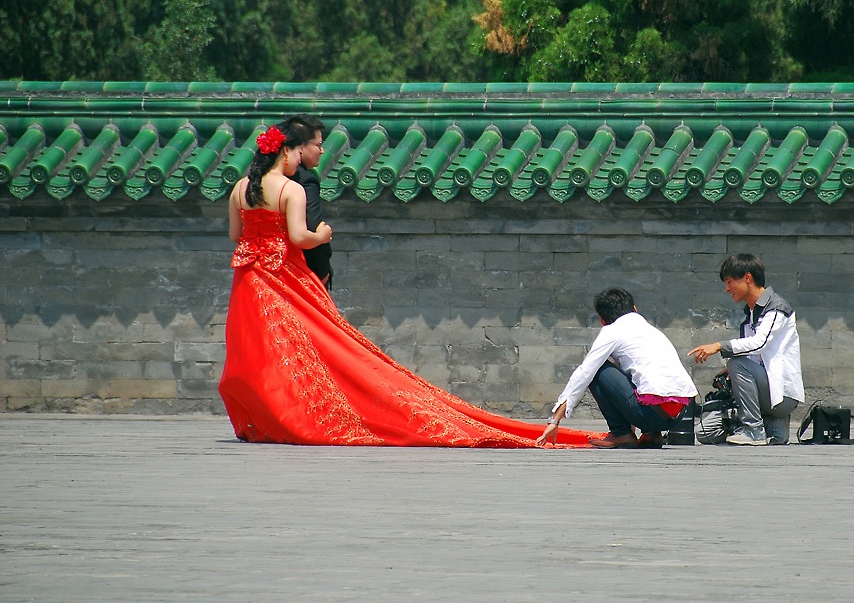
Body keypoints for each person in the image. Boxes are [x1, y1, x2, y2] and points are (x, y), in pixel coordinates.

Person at [218, 120, 597, 448]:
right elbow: (299, 238)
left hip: (250, 277)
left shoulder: (240, 188)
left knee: (260, 352)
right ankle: (293, 417)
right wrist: (323, 234)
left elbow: (236, 234)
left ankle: (259, 419)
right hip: (286, 275)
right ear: (284, 151)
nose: (301, 159)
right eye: (299, 152)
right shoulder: (291, 190)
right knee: (313, 350)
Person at [537, 288, 698, 449]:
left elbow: (584, 373)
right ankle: (652, 434)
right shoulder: (652, 331)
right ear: (635, 309)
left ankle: (621, 433)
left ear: (602, 320)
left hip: (650, 415)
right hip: (679, 416)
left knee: (597, 369)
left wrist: (555, 420)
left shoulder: (611, 331)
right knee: (635, 374)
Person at [688, 254, 805, 446]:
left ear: (748, 278)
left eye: (729, 282)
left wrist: (719, 346)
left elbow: (759, 343)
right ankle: (761, 425)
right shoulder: (750, 314)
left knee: (737, 363)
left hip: (782, 395)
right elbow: (754, 354)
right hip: (765, 390)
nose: (727, 289)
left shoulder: (776, 307)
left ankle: (753, 430)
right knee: (705, 432)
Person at [286, 114, 334, 289]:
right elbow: (311, 227)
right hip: (302, 272)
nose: (321, 151)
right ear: (300, 146)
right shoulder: (305, 180)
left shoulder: (253, 181)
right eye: (318, 145)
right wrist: (321, 272)